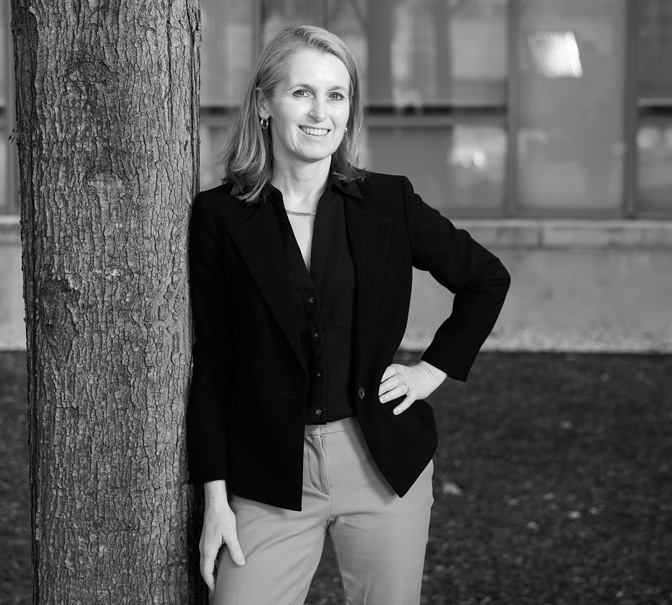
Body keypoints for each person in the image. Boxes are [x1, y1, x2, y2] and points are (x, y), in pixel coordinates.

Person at [187, 24, 510, 604]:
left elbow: (487, 279)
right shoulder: (220, 217)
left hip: (381, 468)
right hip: (267, 476)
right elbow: (215, 361)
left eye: (336, 95)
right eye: (301, 92)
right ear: (264, 103)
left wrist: (431, 371)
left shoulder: (388, 202)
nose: (321, 112)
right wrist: (215, 499)